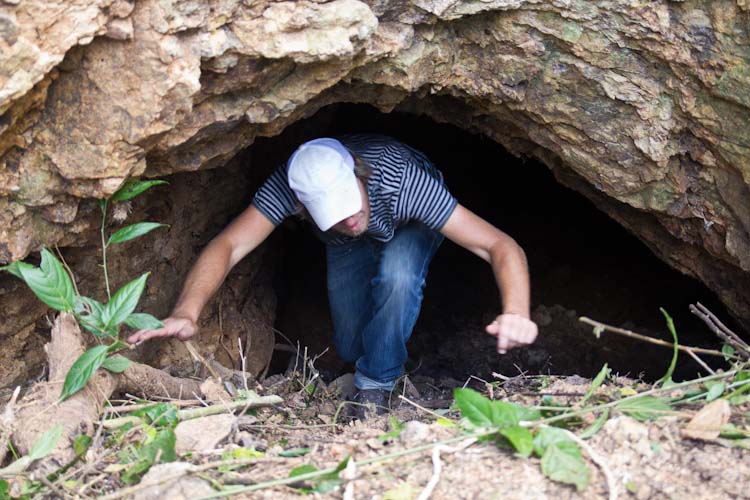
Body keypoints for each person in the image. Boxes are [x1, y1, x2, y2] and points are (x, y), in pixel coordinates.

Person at [127, 134, 538, 416]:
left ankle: (379, 382)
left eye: (351, 205)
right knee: (348, 341)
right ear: (305, 209)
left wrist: (517, 310)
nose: (350, 219)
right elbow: (229, 245)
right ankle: (379, 358)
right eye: (335, 215)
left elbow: (498, 245)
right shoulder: (290, 188)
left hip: (407, 220)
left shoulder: (404, 182)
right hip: (341, 243)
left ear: (359, 174)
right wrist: (187, 311)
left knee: (397, 275)